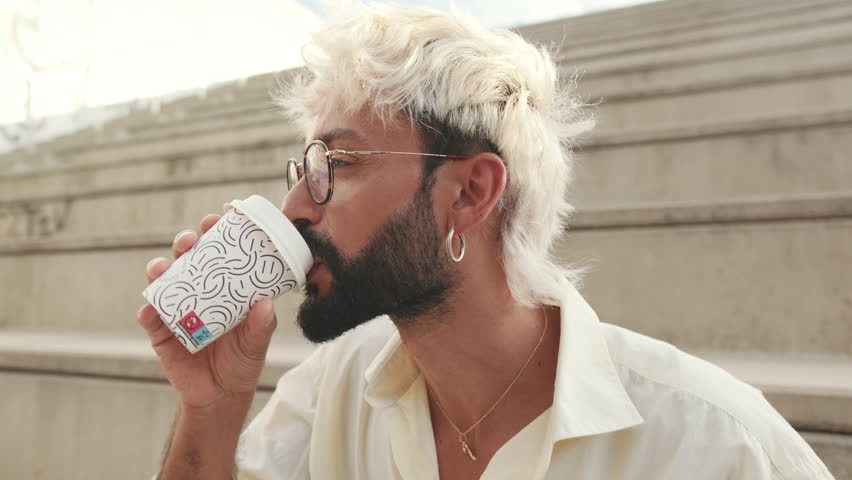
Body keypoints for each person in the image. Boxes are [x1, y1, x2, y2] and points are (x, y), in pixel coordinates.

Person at [138, 4, 834, 479]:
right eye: (306, 169)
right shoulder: (331, 392)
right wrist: (212, 407)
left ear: (470, 194)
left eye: (339, 166)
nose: (295, 207)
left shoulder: (716, 447)